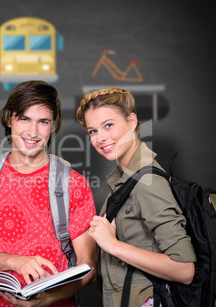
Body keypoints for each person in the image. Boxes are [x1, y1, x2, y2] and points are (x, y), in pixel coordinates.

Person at [0, 80, 98, 307]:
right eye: (25, 119)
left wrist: (48, 298)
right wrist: (14, 262)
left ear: (54, 125)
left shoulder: (74, 184)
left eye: (43, 122)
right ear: (10, 119)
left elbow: (89, 266)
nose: (33, 132)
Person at [76, 87, 196, 307]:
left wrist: (112, 245)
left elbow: (184, 269)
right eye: (93, 131)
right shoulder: (127, 180)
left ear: (132, 122)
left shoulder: (147, 183)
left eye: (108, 125)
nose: (100, 138)